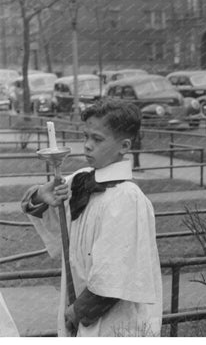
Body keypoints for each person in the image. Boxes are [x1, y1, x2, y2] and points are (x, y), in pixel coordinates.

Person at [21, 99, 162, 337]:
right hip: (79, 296)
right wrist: (41, 196)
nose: (86, 146)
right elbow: (53, 223)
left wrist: (77, 312)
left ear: (124, 145)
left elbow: (116, 274)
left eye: (97, 139)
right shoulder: (82, 179)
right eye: (85, 136)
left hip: (111, 317)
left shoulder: (127, 198)